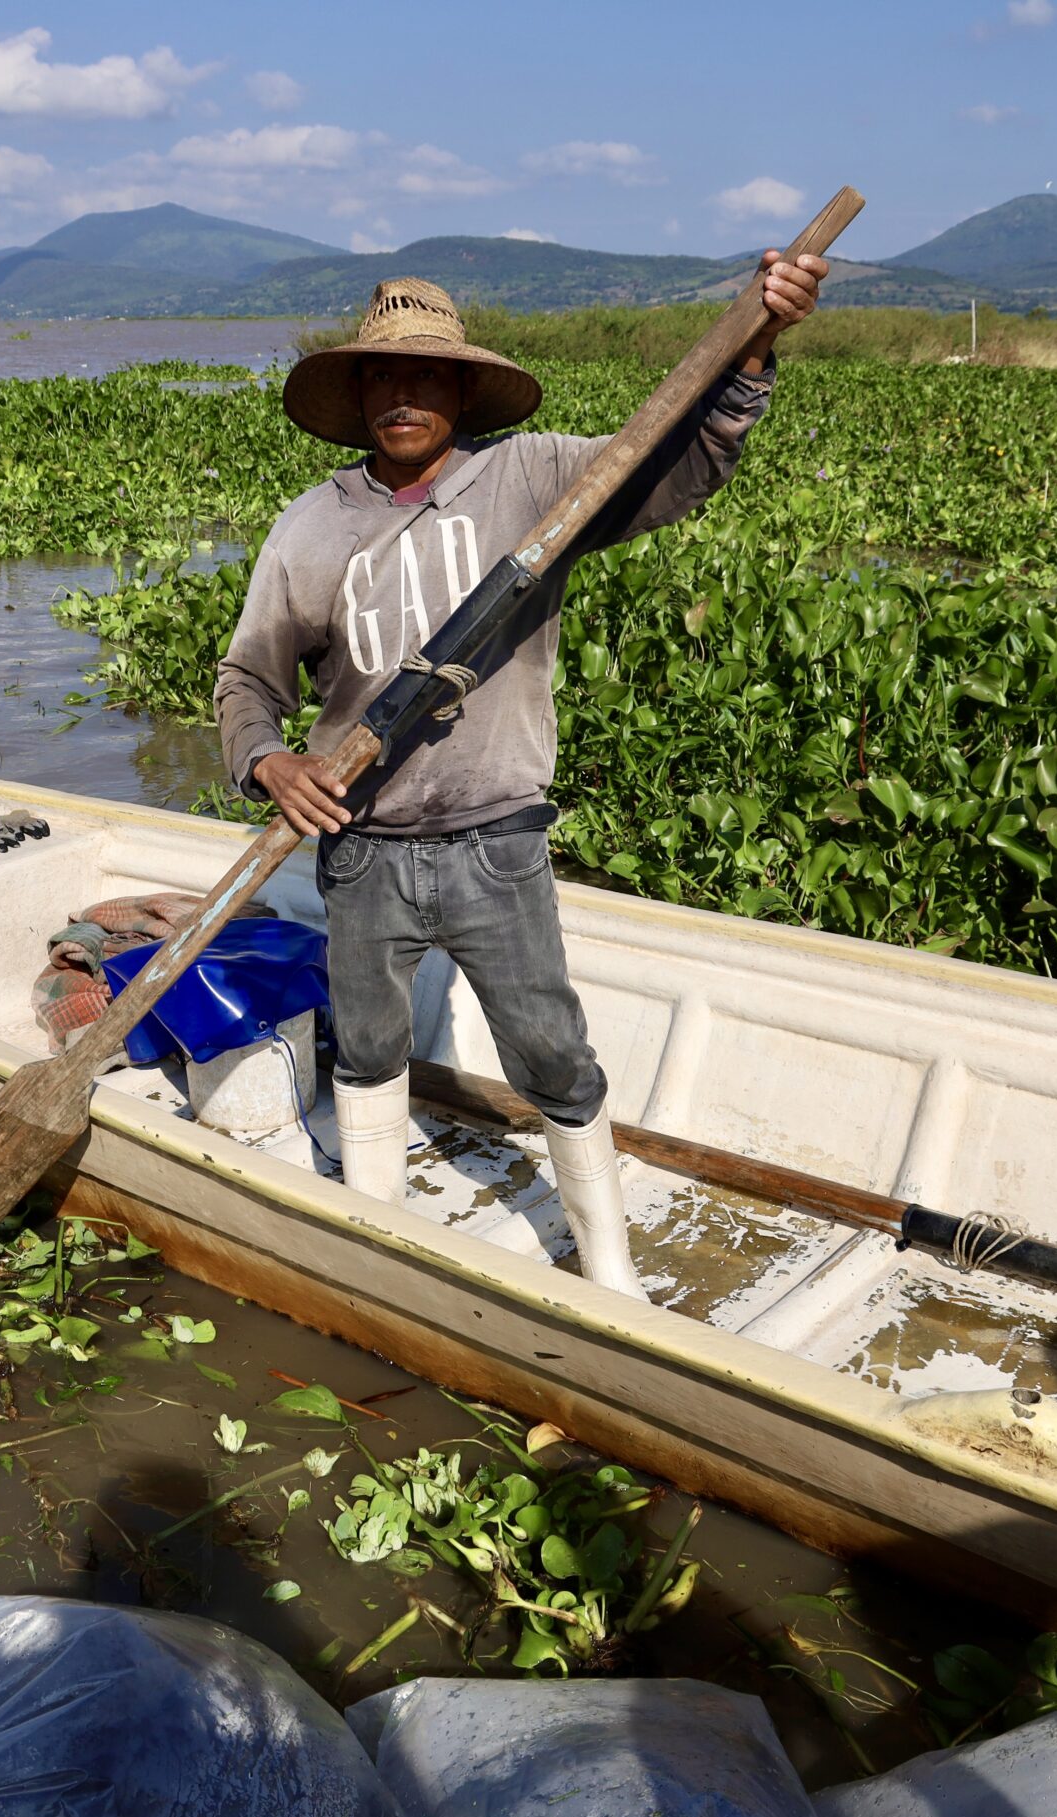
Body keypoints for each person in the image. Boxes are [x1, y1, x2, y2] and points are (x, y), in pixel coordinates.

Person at [213, 257, 823, 1296]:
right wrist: (270, 760)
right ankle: (379, 1253)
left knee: (551, 1054)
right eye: (380, 379)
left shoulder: (533, 475)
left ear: (461, 390)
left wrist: (754, 345)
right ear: (357, 396)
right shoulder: (308, 527)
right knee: (364, 1049)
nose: (402, 397)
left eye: (427, 379)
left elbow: (679, 464)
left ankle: (609, 1267)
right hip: (363, 849)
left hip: (498, 844)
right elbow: (245, 682)